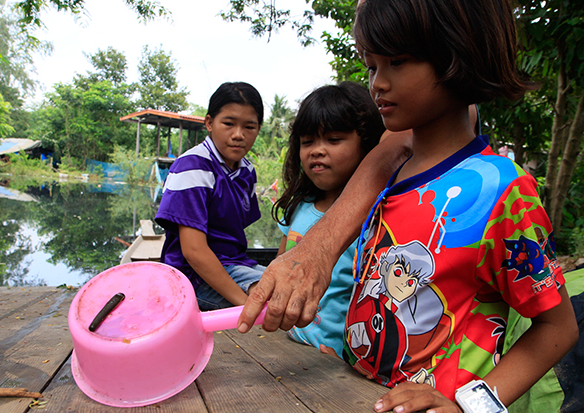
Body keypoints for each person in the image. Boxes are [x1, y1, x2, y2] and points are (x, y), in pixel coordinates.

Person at [239, 0, 579, 412]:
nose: (377, 83)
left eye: (396, 62)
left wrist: (469, 405)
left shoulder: (502, 190)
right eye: (371, 66)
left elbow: (557, 326)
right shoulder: (391, 178)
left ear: (457, 56)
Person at [274, 81, 386, 358]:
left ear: (367, 144)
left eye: (333, 140)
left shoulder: (375, 217)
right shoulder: (299, 208)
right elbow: (281, 269)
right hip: (288, 345)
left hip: (337, 359)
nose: (317, 150)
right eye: (307, 142)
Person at [155, 81, 265, 310]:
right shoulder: (193, 167)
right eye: (228, 123)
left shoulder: (246, 171)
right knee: (269, 300)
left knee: (285, 286)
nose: (238, 135)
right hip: (191, 277)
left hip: (234, 264)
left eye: (249, 127)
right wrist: (245, 304)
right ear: (209, 123)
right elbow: (194, 252)